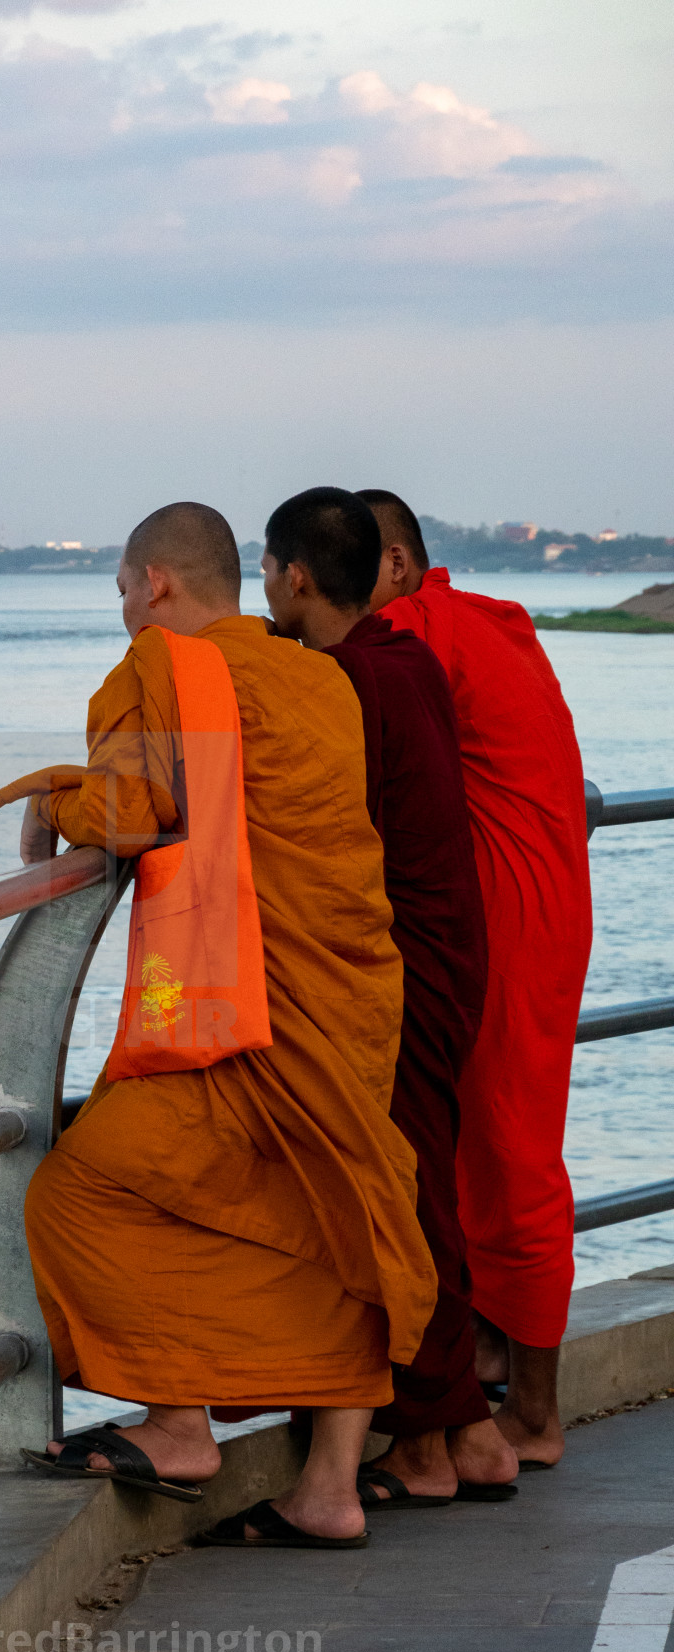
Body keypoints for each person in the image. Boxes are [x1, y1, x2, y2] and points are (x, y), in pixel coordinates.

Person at [0, 502, 436, 1545]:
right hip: (351, 986)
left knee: (83, 1191)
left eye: (122, 594)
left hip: (246, 1006)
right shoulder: (318, 675)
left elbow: (140, 808)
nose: (126, 615)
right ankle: (326, 1489)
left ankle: (180, 1421)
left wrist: (53, 794)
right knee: (338, 1216)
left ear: (156, 586)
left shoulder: (164, 669)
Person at [259, 486, 519, 1507]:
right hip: (447, 951)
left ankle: (428, 1444)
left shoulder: (347, 685)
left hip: (402, 966)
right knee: (420, 1189)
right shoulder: (398, 661)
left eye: (267, 570)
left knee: (403, 1198)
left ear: (297, 577)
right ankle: (466, 1437)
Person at [362, 488, 592, 1468]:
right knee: (476, 1152)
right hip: (541, 906)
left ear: (400, 567)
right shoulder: (487, 626)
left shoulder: (415, 629)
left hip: (508, 920)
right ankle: (489, 1357)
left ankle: (534, 1415)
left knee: (511, 1159)